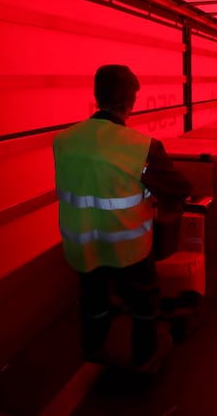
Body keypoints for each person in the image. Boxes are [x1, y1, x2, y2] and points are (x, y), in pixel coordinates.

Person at [53, 64, 192, 374]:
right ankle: (145, 356)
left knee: (92, 297)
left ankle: (93, 348)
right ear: (131, 102)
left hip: (81, 243)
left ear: (96, 96)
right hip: (126, 246)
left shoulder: (63, 140)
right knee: (145, 299)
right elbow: (178, 188)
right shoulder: (142, 148)